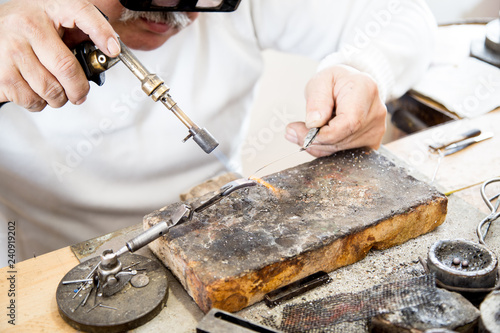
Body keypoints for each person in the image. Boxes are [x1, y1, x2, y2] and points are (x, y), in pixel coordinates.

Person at [0, 0, 436, 263]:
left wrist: (362, 69)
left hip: (214, 237)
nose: (180, 17)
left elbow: (404, 13)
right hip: (44, 261)